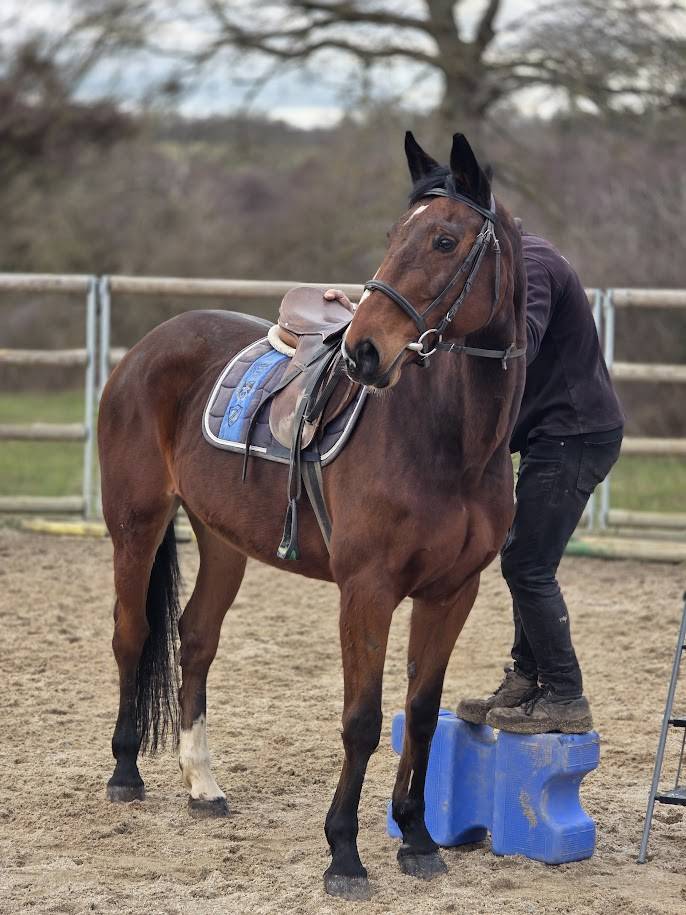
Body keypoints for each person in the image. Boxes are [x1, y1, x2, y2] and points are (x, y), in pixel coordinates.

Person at [325, 227, 624, 735]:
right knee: (524, 558)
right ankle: (528, 679)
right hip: (543, 432)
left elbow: (515, 345)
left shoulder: (534, 267)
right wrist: (386, 317)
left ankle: (565, 693)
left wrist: (420, 336)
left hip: (574, 433)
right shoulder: (507, 260)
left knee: (528, 564)